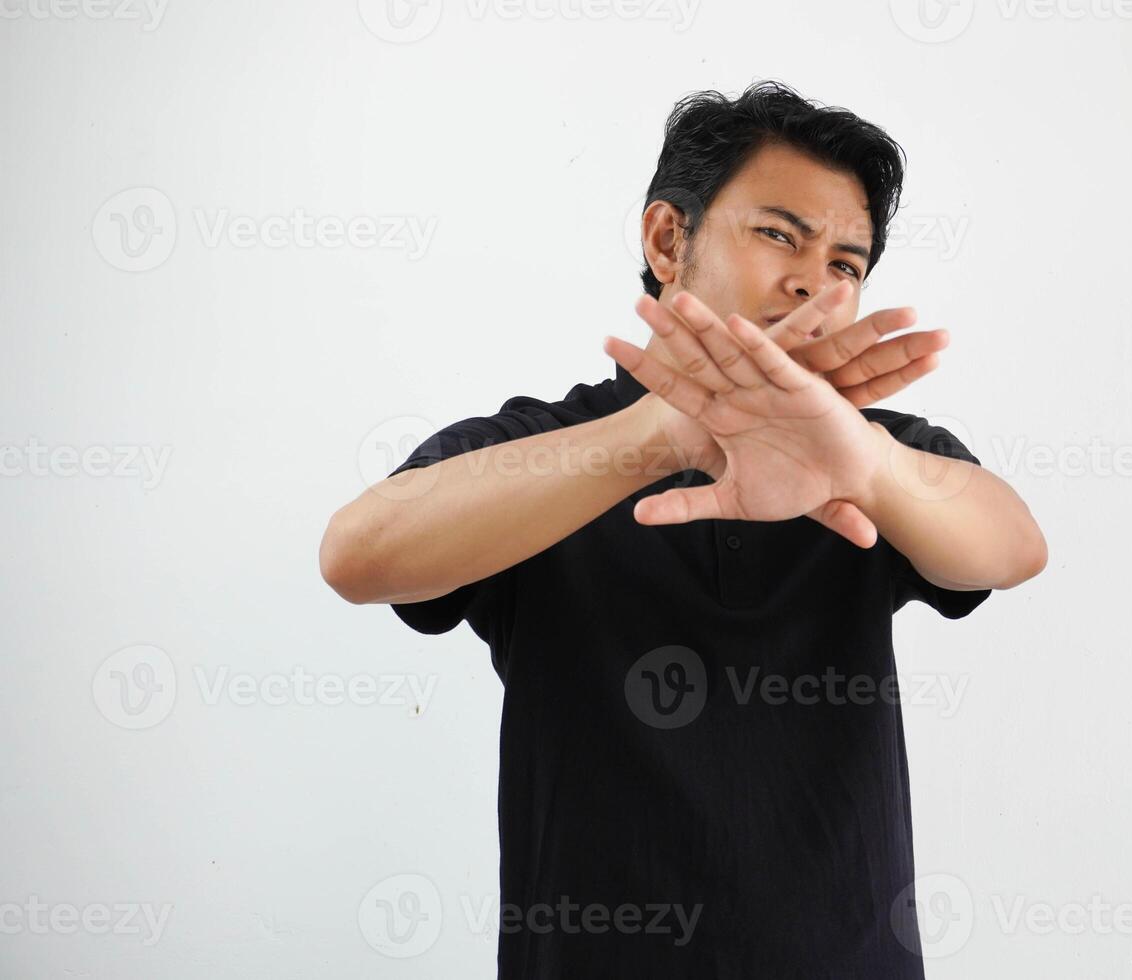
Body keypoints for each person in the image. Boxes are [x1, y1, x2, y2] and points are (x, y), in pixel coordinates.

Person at [320, 79, 1047, 979]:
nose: (810, 281)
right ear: (669, 239)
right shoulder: (544, 446)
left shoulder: (870, 455)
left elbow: (1014, 545)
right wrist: (664, 435)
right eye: (780, 234)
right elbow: (358, 555)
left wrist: (863, 465)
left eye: (845, 265)